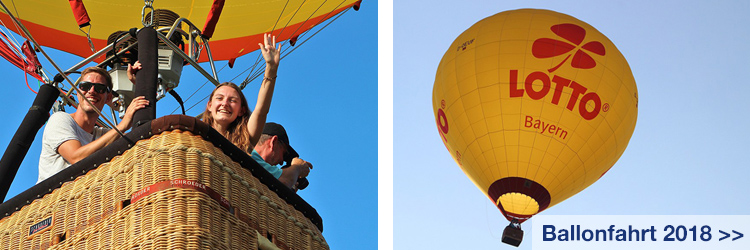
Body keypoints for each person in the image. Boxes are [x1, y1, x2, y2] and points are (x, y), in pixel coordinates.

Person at [38, 66, 149, 183]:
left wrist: (138, 85)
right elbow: (76, 158)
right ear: (78, 92)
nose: (91, 91)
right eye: (85, 86)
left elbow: (141, 144)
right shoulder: (60, 119)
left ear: (108, 97)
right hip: (55, 198)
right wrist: (122, 125)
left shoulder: (102, 135)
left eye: (99, 88)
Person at [251, 122, 312, 190]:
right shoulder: (250, 155)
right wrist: (297, 168)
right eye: (284, 153)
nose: (281, 162)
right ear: (273, 142)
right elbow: (284, 182)